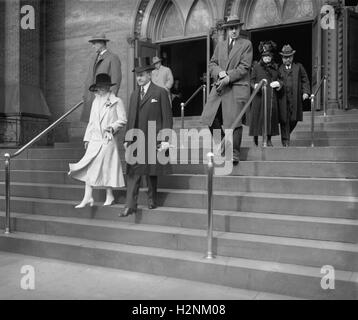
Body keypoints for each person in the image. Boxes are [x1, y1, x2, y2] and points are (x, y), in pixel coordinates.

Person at [119, 57, 173, 217]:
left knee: (151, 172)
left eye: (142, 74)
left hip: (153, 137)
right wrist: (127, 140)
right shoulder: (134, 94)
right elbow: (131, 118)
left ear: (150, 74)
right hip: (136, 138)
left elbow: (167, 118)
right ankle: (130, 205)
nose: (139, 78)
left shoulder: (160, 92)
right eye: (137, 75)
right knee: (133, 172)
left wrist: (165, 140)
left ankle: (152, 199)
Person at [69, 73, 127, 208]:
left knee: (106, 167)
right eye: (98, 87)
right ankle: (88, 197)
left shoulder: (117, 101)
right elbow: (91, 122)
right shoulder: (96, 101)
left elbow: (123, 119)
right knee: (89, 166)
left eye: (102, 87)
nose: (100, 90)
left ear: (108, 87)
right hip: (94, 139)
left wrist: (112, 127)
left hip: (107, 139)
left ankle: (109, 195)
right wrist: (87, 138)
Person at [201, 15, 253, 165]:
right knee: (210, 118)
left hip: (236, 87)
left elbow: (244, 67)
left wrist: (228, 77)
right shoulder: (220, 45)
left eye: (236, 27)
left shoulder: (246, 44)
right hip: (220, 88)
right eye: (231, 28)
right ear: (227, 30)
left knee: (234, 121)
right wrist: (220, 73)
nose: (234, 30)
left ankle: (234, 153)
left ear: (240, 28)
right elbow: (212, 64)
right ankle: (225, 146)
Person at [81, 34, 122, 122]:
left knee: (103, 127)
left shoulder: (113, 58)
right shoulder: (93, 59)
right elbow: (89, 79)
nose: (93, 46)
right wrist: (86, 96)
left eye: (94, 43)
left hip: (104, 100)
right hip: (92, 100)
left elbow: (116, 80)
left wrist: (110, 100)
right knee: (93, 127)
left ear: (102, 43)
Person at [277, 44, 311, 147]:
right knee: (284, 120)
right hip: (283, 98)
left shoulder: (298, 67)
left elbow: (305, 80)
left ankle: (286, 135)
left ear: (292, 57)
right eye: (285, 57)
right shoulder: (279, 69)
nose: (287, 59)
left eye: (289, 57)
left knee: (294, 119)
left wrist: (306, 92)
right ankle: (285, 141)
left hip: (295, 98)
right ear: (282, 58)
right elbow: (276, 81)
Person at [249, 41, 281, 147]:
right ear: (262, 57)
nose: (267, 57)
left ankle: (268, 139)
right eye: (265, 56)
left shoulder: (276, 68)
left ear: (272, 56)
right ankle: (255, 139)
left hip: (271, 97)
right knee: (257, 117)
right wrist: (256, 85)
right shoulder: (257, 67)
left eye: (269, 56)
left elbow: (281, 80)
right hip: (259, 96)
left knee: (270, 118)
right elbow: (251, 81)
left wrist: (279, 83)